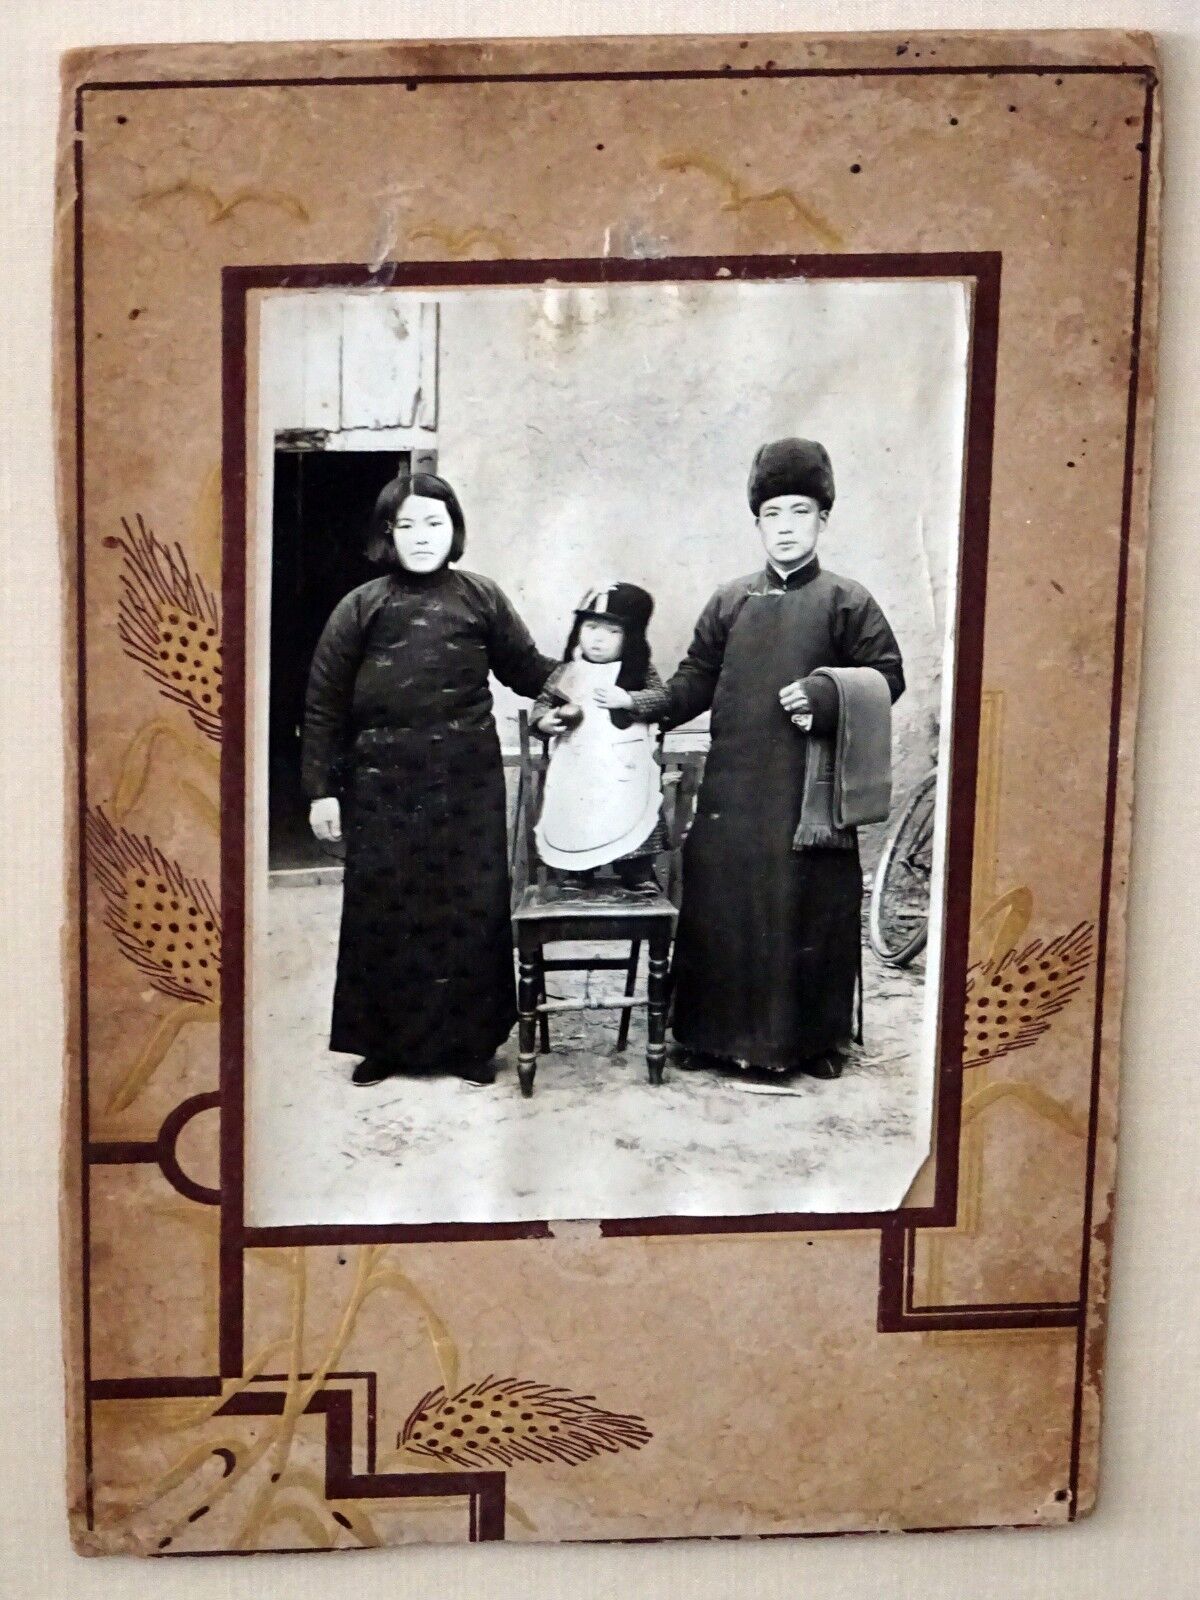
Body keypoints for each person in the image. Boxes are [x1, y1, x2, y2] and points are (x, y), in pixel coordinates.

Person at [606, 438, 905, 1079]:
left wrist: (827, 697)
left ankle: (812, 1043)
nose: (787, 528)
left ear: (823, 519)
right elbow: (695, 680)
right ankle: (709, 1036)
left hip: (809, 795)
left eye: (800, 512)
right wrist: (639, 704)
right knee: (721, 898)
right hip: (734, 790)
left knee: (807, 907)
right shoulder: (731, 599)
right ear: (758, 522)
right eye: (774, 514)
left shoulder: (845, 600)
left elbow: (887, 676)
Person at [301, 469, 556, 1087]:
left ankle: (469, 1046)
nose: (421, 536)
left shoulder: (481, 597)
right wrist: (321, 792)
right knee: (385, 912)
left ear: (454, 530)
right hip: (382, 788)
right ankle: (386, 1046)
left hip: (466, 784)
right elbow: (323, 706)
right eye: (407, 525)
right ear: (388, 534)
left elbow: (529, 671)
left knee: (466, 909)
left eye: (434, 523)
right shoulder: (360, 607)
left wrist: (592, 683)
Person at [529, 583, 667, 894]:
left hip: (622, 765)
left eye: (612, 632)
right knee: (578, 813)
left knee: (633, 812)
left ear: (629, 638)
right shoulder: (568, 671)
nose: (599, 638)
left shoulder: (639, 672)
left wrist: (629, 700)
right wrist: (545, 720)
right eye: (591, 627)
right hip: (579, 762)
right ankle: (578, 872)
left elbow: (662, 699)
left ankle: (638, 872)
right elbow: (543, 702)